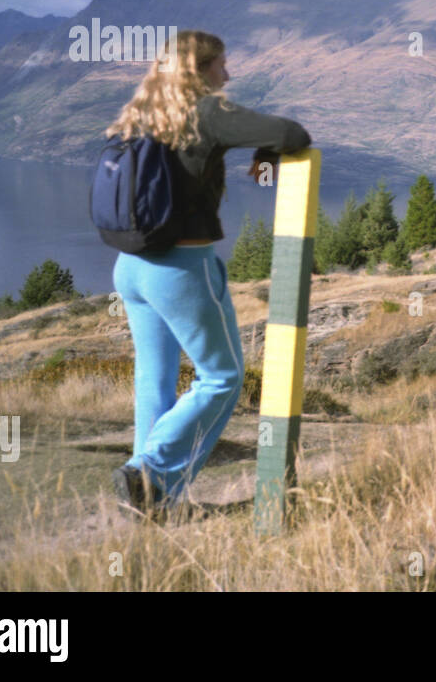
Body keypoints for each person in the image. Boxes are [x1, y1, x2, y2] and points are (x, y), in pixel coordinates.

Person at [106, 30, 311, 515]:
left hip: (131, 268)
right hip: (181, 269)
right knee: (222, 377)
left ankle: (154, 500)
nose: (229, 74)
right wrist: (267, 154)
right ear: (199, 70)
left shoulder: (140, 114)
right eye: (222, 64)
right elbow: (292, 135)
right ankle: (149, 475)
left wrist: (262, 159)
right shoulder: (206, 112)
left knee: (154, 379)